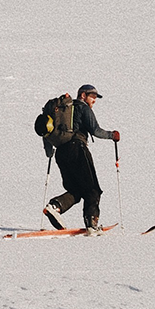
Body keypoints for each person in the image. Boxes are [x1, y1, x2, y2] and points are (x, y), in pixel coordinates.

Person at [42, 83, 121, 234]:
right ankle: (92, 224)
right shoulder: (83, 107)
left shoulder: (61, 113)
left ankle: (55, 206)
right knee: (93, 189)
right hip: (78, 149)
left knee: (76, 190)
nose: (94, 101)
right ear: (83, 95)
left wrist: (49, 152)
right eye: (92, 96)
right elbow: (96, 130)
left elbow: (47, 133)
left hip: (61, 153)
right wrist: (112, 135)